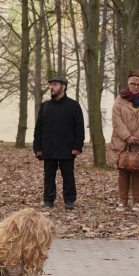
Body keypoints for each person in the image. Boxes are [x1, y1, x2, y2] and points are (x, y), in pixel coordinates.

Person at [33, 76, 84, 210]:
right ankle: (48, 199)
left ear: (63, 87)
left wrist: (78, 146)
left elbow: (79, 128)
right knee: (49, 175)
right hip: (48, 148)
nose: (52, 87)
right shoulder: (45, 106)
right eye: (51, 85)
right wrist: (37, 147)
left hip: (67, 149)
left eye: (55, 85)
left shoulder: (74, 106)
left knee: (68, 176)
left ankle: (69, 200)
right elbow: (38, 128)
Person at [107, 71, 139, 211]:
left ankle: (138, 202)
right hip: (122, 141)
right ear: (128, 84)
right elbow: (116, 119)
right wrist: (127, 136)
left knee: (138, 171)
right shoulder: (120, 99)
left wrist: (137, 136)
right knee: (123, 170)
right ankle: (123, 201)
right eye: (133, 84)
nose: (136, 87)